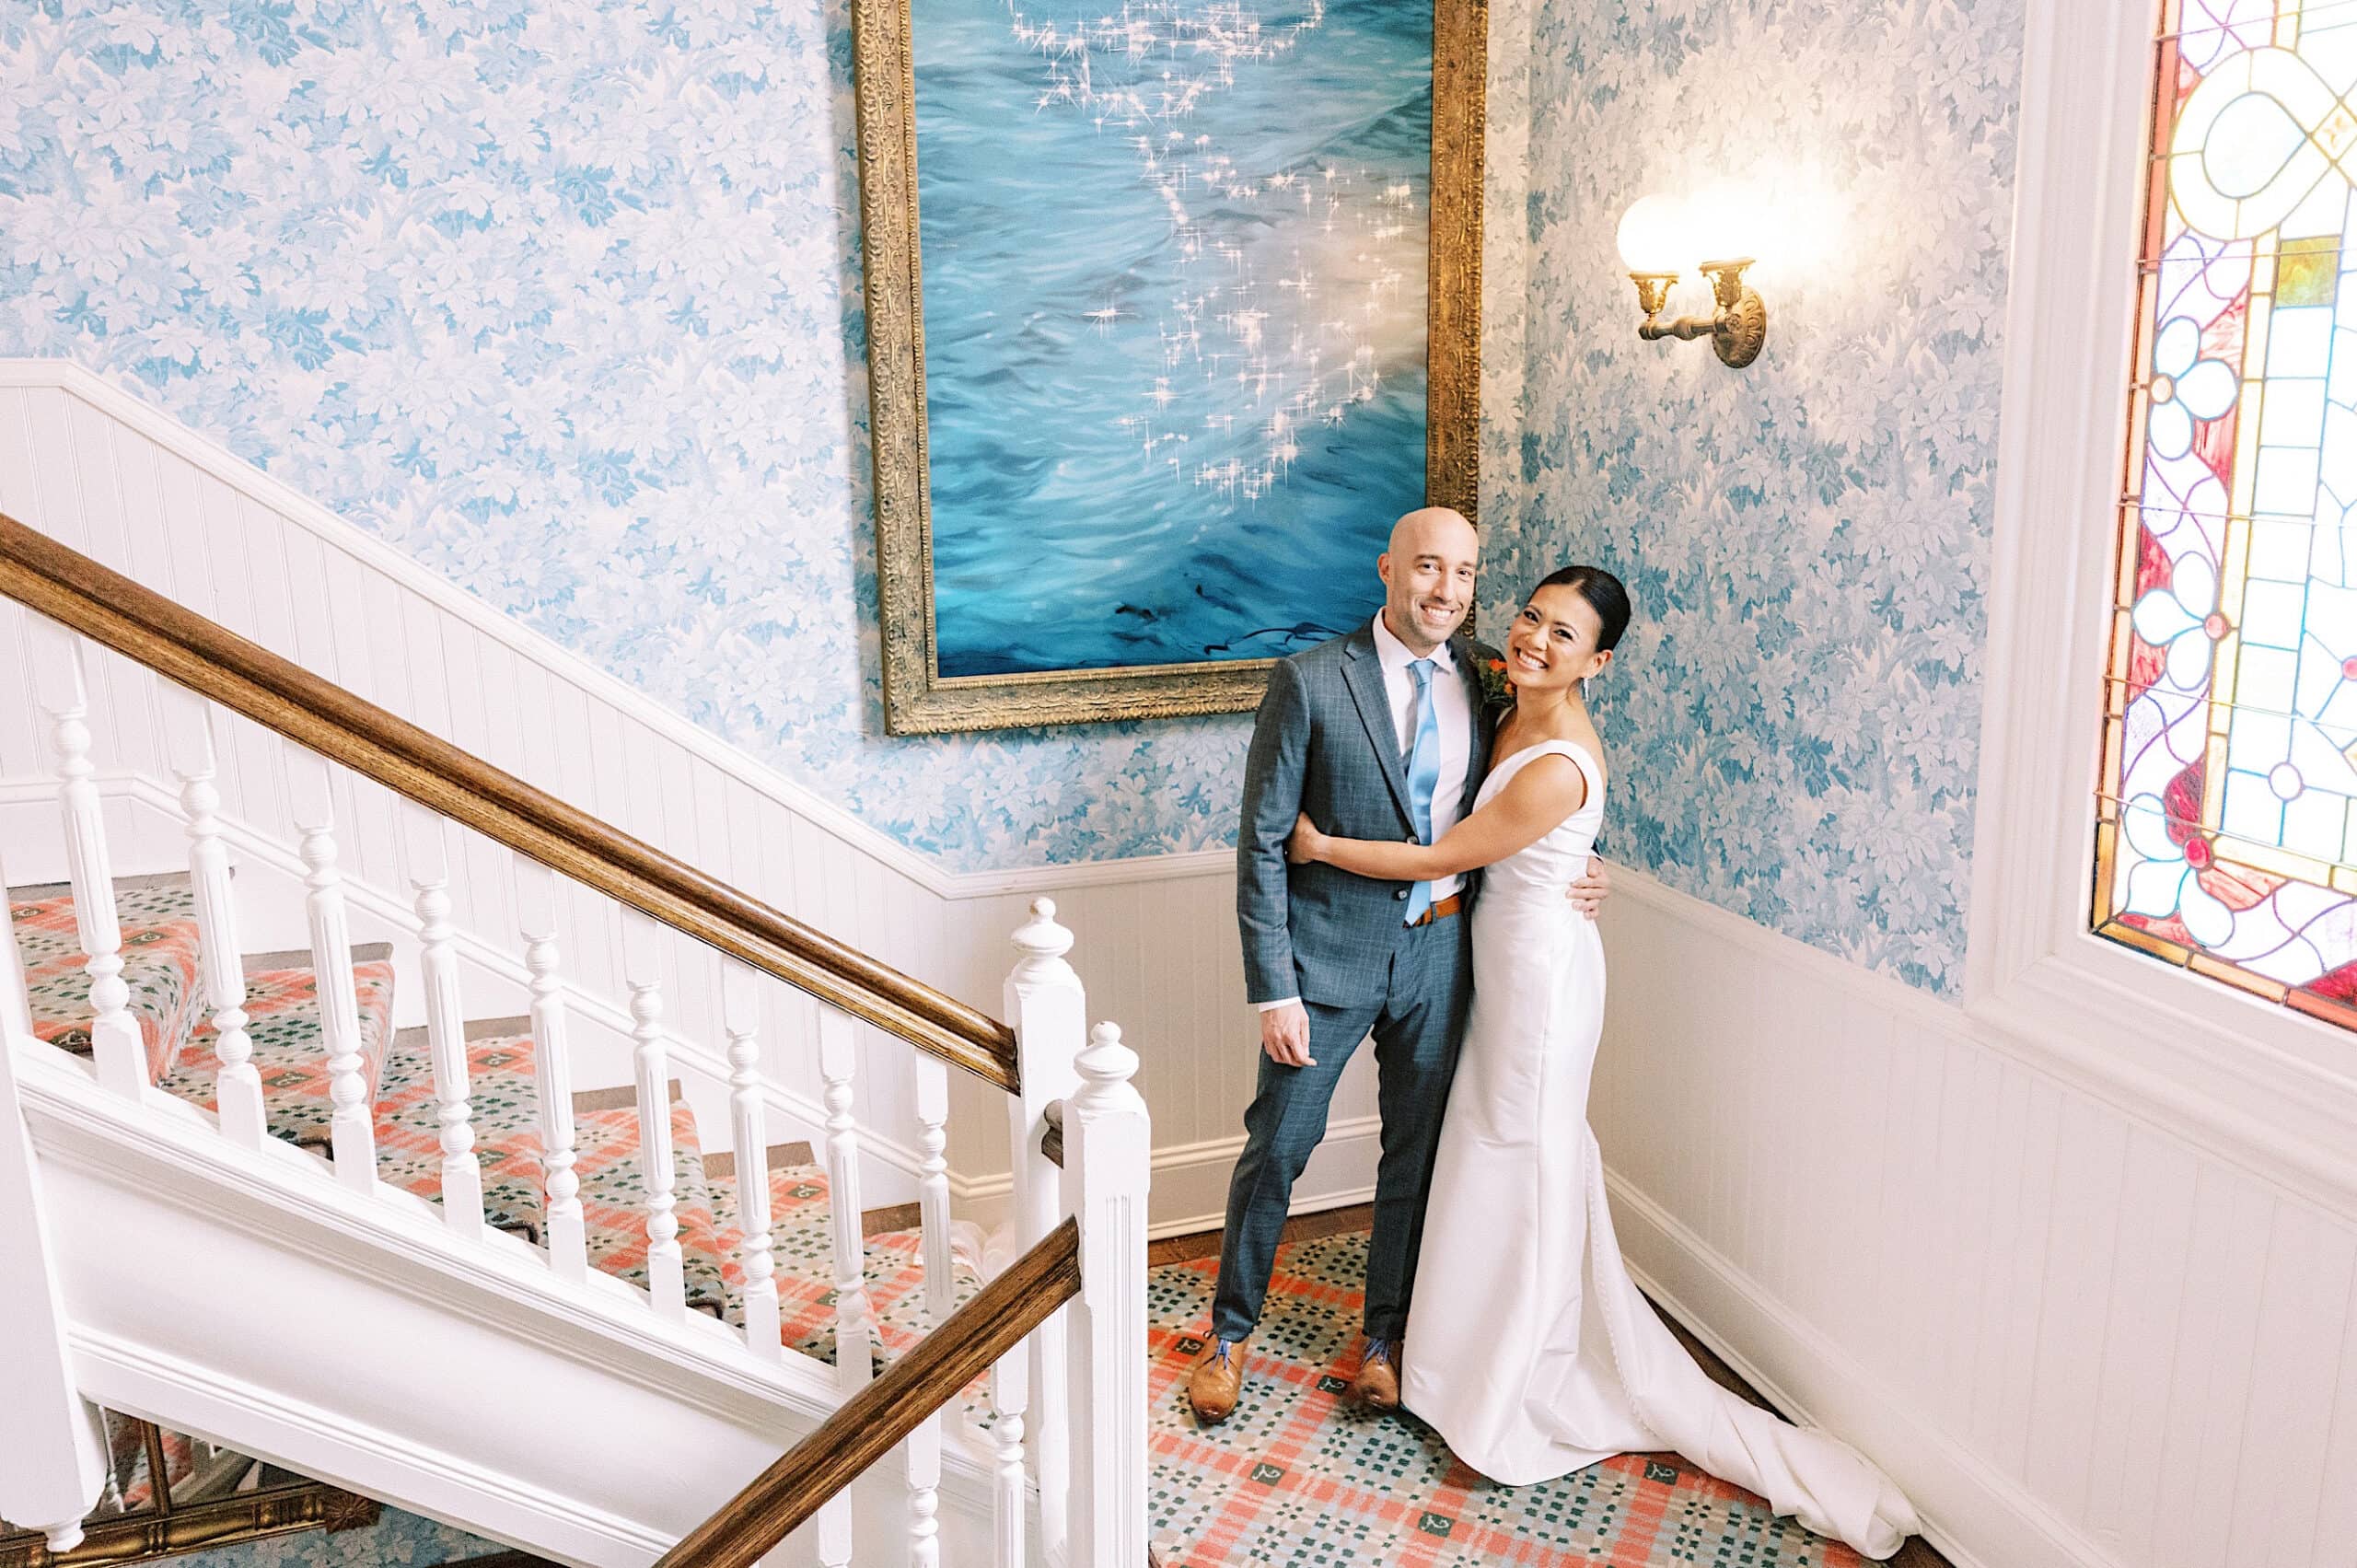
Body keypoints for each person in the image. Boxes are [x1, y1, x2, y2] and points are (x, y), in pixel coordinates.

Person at [1284, 565, 1921, 1561]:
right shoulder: (1507, 706)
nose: (1535, 638)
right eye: (1532, 615)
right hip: (1499, 958)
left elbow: (1441, 855)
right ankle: (1455, 1360)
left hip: (1539, 980)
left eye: (1563, 634)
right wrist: (1591, 860)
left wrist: (1321, 844)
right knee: (1486, 1151)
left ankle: (1515, 1377)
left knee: (1522, 1157)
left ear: (1599, 661)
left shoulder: (1557, 758)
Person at [1185, 506, 1611, 1425]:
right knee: (1278, 1150)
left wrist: (1584, 857)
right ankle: (1227, 1337)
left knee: (1413, 1159)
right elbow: (1262, 844)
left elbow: (1527, 798)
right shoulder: (1307, 681)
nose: (1446, 592)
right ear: (1388, 569)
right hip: (1323, 965)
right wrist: (1274, 986)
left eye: (1463, 574)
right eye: (1427, 568)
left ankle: (1383, 1339)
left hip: (1445, 959)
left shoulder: (1487, 685)